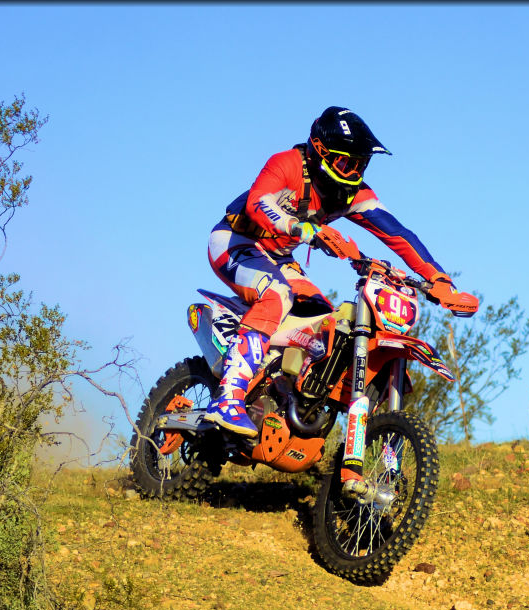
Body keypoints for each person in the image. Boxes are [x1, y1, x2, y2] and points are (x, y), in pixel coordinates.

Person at [204, 106, 476, 437]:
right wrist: (305, 230)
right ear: (320, 151)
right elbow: (258, 203)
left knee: (323, 324)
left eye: (361, 164)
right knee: (275, 296)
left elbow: (400, 235)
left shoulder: (354, 193)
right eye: (347, 162)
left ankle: (277, 391)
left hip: (279, 257)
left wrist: (441, 281)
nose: (354, 171)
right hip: (237, 241)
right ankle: (228, 399)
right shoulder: (286, 164)